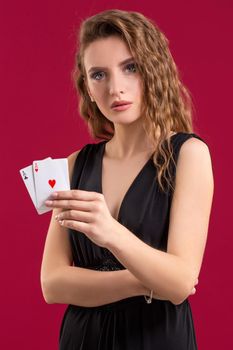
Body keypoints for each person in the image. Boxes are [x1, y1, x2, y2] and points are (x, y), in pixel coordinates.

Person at [40, 9, 214, 350]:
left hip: (157, 338)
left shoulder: (189, 154)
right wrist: (143, 282)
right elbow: (52, 283)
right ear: (87, 87)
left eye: (130, 68)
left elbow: (179, 282)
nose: (115, 88)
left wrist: (111, 233)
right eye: (99, 75)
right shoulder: (76, 164)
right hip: (82, 339)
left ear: (153, 70)